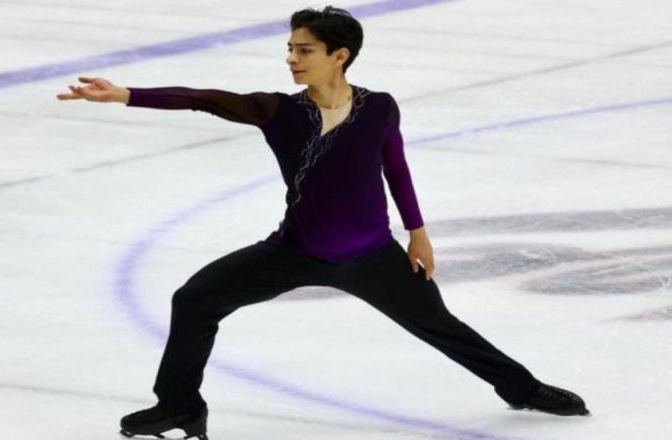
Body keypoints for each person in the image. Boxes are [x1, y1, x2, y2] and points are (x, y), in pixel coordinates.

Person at [57, 6, 590, 439]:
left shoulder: (379, 107)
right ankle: (178, 407)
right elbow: (205, 100)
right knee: (194, 299)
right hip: (293, 252)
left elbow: (395, 166)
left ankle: (522, 390)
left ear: (341, 56)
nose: (292, 58)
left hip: (372, 255)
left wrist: (418, 232)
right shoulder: (277, 111)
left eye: (304, 49)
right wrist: (127, 95)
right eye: (290, 48)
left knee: (442, 327)